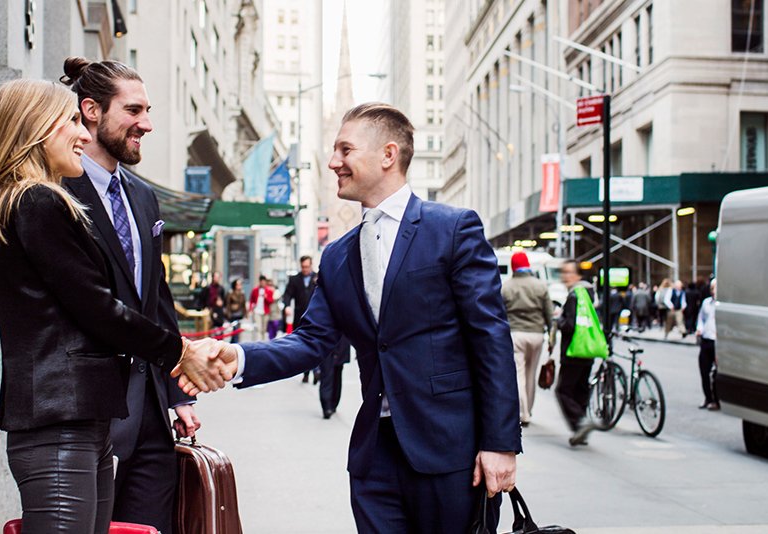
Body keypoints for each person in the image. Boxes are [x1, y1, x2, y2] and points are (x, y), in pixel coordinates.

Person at [176, 103, 520, 533]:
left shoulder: (452, 229)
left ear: (388, 155)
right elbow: (311, 340)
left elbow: (491, 338)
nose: (333, 162)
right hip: (375, 461)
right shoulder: (338, 255)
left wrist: (500, 444)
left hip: (451, 455)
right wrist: (237, 357)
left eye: (345, 150)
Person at [0, 79, 201, 533]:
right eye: (71, 121)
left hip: (77, 420)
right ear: (35, 129)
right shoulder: (37, 201)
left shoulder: (31, 201)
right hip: (59, 425)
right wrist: (183, 353)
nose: (83, 134)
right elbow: (99, 309)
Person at [60, 56, 199, 534]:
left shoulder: (143, 197)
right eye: (134, 110)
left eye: (148, 110)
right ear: (91, 110)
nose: (147, 124)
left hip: (152, 422)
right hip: (88, 414)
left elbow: (156, 300)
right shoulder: (57, 192)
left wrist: (180, 393)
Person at [500, 252, 555, 427]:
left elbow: (499, 315)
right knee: (531, 374)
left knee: (519, 374)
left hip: (515, 334)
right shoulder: (541, 286)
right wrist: (552, 339)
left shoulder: (506, 287)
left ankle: (523, 413)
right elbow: (549, 315)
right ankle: (529, 409)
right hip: (537, 335)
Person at [554, 260, 598, 447]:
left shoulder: (575, 295)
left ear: (578, 275)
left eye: (569, 272)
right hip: (588, 349)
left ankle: (580, 422)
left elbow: (570, 325)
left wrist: (559, 320)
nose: (565, 276)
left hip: (574, 349)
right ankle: (581, 429)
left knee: (563, 390)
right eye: (563, 272)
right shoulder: (590, 293)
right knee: (580, 389)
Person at [284, 256, 320, 382]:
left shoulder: (318, 277)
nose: (305, 269)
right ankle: (306, 373)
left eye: (307, 266)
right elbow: (287, 294)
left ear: (311, 265)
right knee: (303, 345)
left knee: (315, 343)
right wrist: (287, 306)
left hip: (316, 316)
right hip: (300, 317)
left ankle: (316, 369)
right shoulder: (295, 279)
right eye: (303, 267)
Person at [696, 279, 719, 410]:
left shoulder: (723, 305)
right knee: (704, 371)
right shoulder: (706, 303)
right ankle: (708, 398)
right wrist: (699, 329)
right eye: (711, 288)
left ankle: (716, 399)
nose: (712, 290)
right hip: (706, 339)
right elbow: (701, 318)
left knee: (716, 373)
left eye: (715, 288)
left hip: (717, 341)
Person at [319, 337, 352, 419]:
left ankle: (333, 404)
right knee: (327, 377)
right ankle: (327, 407)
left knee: (337, 378)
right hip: (328, 348)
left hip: (341, 347)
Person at [249, 274, 275, 341]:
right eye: (261, 282)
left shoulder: (269, 291)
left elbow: (271, 301)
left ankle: (263, 342)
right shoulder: (255, 290)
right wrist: (251, 308)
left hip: (265, 312)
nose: (263, 283)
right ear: (260, 282)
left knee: (264, 329)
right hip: (257, 311)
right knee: (259, 328)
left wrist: (266, 297)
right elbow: (251, 300)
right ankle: (259, 341)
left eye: (264, 282)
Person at [226, 279, 247, 343]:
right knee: (234, 330)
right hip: (233, 314)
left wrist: (245, 313)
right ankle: (234, 343)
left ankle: (235, 343)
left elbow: (243, 304)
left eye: (240, 284)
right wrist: (228, 313)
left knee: (237, 331)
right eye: (238, 284)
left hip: (240, 314)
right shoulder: (231, 293)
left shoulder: (242, 293)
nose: (240, 286)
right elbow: (228, 304)